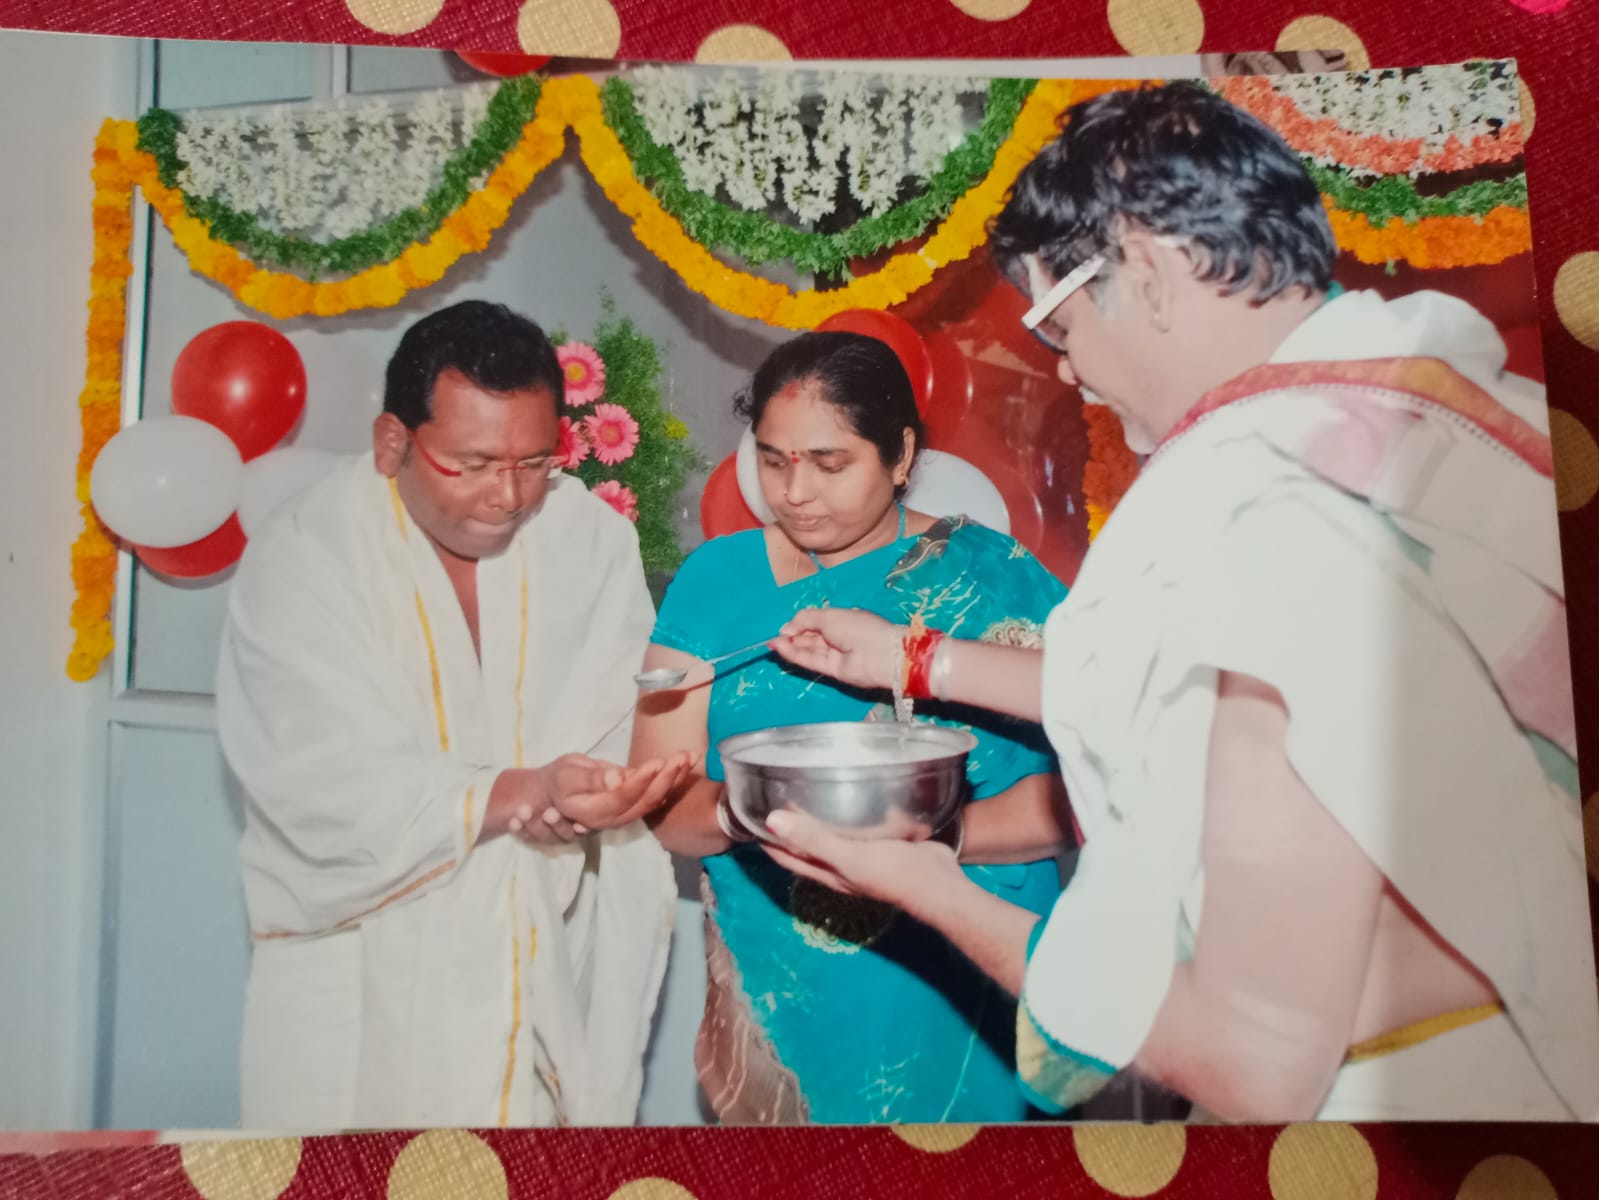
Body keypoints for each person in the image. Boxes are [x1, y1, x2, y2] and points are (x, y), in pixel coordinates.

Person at [757, 82, 1599, 1123]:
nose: (1071, 370)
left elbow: (1253, 1059)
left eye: (1058, 326)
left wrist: (925, 886)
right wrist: (912, 659)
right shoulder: (1463, 423)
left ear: (1147, 275)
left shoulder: (1269, 519)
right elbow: (1177, 685)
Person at [216, 300, 693, 1130]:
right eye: (470, 464)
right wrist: (519, 792)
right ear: (391, 442)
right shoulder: (308, 553)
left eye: (533, 461)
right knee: (347, 1176)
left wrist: (604, 791)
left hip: (537, 957)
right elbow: (315, 775)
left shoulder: (586, 538)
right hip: (356, 970)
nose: (507, 495)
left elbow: (614, 717)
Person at [630, 331, 1075, 1124]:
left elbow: (1078, 799)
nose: (795, 492)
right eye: (773, 460)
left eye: (830, 464)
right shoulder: (715, 581)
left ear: (900, 455)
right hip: (784, 982)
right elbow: (664, 802)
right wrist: (757, 810)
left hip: (966, 964)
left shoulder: (987, 577)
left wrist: (918, 847)